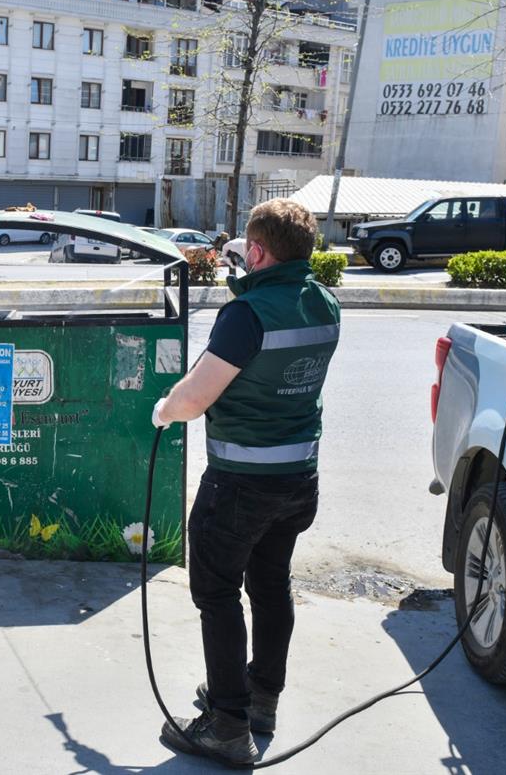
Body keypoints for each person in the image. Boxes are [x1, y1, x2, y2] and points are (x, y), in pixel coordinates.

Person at [151, 199, 341, 768]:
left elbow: (194, 396)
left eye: (247, 247)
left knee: (215, 590)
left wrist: (164, 410)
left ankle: (228, 725)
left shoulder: (248, 314)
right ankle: (262, 702)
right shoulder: (324, 302)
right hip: (298, 478)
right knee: (270, 583)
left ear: (258, 251)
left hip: (242, 481)